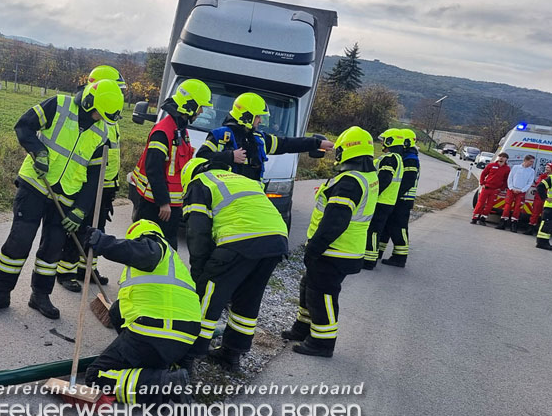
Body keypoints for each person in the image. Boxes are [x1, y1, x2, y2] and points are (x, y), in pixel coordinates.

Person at [0, 80, 124, 318]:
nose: (99, 119)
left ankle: (40, 296)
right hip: (35, 185)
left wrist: (80, 210)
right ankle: (0, 293)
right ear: (88, 103)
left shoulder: (102, 132)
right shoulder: (58, 105)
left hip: (67, 195)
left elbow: (95, 177)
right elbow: (24, 126)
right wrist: (39, 151)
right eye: (98, 113)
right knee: (19, 241)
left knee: (52, 250)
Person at [180, 157, 289, 371]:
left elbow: (198, 231)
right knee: (248, 299)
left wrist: (200, 272)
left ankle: (187, 356)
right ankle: (232, 354)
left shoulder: (200, 183)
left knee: (208, 295)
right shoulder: (242, 179)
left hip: (241, 239)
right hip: (276, 240)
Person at [281, 126, 378, 358]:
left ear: (347, 151)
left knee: (321, 294)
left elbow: (335, 221)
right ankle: (303, 328)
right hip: (342, 249)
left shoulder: (349, 182)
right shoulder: (366, 177)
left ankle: (322, 343)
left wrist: (314, 248)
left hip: (335, 250)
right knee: (309, 287)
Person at [83, 220, 200, 405]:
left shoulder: (155, 245)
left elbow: (147, 253)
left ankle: (166, 385)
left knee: (96, 375)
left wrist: (103, 242)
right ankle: (167, 373)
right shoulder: (174, 264)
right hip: (185, 337)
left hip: (155, 330)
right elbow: (120, 310)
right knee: (116, 309)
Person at [56, 66, 126, 293]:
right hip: (90, 183)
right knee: (81, 227)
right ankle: (66, 271)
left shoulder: (111, 114)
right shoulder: (96, 116)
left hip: (107, 183)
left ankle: (87, 268)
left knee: (98, 227)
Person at [131, 79, 213, 249]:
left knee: (167, 251)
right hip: (156, 206)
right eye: (200, 107)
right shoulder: (163, 131)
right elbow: (154, 169)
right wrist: (163, 202)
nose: (201, 111)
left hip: (172, 206)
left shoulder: (181, 130)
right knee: (147, 249)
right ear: (189, 105)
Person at [196, 92, 332, 182]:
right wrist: (230, 156)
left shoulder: (258, 139)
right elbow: (201, 157)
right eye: (257, 117)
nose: (260, 121)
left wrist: (317, 143)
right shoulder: (220, 135)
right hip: (224, 201)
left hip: (250, 200)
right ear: (246, 116)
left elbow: (287, 144)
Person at [363, 128, 404, 270]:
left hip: (381, 201)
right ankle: (371, 257)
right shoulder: (398, 158)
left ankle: (368, 260)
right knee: (376, 230)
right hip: (388, 202)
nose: (382, 143)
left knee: (373, 230)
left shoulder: (390, 158)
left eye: (383, 140)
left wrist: (373, 193)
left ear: (390, 141)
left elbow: (384, 179)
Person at [380, 128, 420, 267]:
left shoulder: (411, 159)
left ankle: (399, 257)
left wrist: (395, 195)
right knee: (387, 225)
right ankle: (377, 251)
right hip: (398, 199)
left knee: (399, 227)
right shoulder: (405, 156)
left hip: (403, 200)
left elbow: (408, 181)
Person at [496, 155, 535, 232]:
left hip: (521, 192)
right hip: (512, 190)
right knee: (507, 206)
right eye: (531, 161)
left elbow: (529, 182)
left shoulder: (531, 171)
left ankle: (514, 224)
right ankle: (503, 222)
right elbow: (510, 178)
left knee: (518, 207)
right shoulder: (515, 167)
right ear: (526, 160)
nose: (532, 163)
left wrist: (522, 190)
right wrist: (511, 188)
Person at [470, 152, 510, 226]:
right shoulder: (491, 165)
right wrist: (482, 183)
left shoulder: (507, 169)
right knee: (480, 203)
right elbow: (483, 174)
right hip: (487, 188)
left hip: (495, 190)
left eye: (503, 157)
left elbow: (506, 180)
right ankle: (475, 218)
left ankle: (483, 218)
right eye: (500, 156)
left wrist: (501, 188)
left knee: (489, 205)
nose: (501, 158)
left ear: (506, 159)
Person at [524, 162, 552, 235]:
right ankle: (530, 229)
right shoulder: (543, 176)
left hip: (549, 199)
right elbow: (539, 185)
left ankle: (542, 230)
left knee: (545, 216)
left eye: (548, 167)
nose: (546, 168)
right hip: (539, 198)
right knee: (535, 214)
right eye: (546, 167)